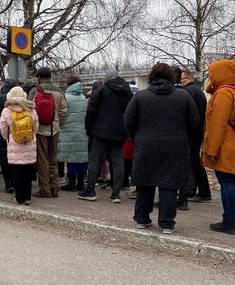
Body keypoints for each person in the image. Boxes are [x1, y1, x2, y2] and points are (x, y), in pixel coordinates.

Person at [124, 63, 199, 234]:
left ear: (151, 76)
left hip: (146, 144)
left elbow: (127, 121)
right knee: (169, 183)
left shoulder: (140, 97)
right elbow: (194, 122)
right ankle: (167, 223)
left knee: (145, 181)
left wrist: (137, 136)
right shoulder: (184, 96)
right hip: (175, 145)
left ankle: (142, 218)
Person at [202, 60, 235, 235]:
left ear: (221, 74)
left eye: (212, 73)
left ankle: (229, 221)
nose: (210, 76)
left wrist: (211, 149)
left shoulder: (223, 93)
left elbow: (218, 124)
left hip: (225, 145)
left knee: (227, 183)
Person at [80, 71, 133, 202]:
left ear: (107, 79)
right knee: (118, 161)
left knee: (94, 159)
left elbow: (91, 111)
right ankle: (116, 194)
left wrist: (89, 129)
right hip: (120, 133)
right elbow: (132, 113)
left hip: (100, 132)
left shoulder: (102, 90)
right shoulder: (128, 92)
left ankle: (90, 190)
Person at [27, 67, 69, 198]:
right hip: (54, 129)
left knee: (42, 159)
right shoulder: (59, 91)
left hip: (40, 129)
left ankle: (45, 189)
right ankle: (55, 187)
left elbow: (29, 111)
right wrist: (57, 122)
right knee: (53, 158)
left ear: (39, 77)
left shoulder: (35, 91)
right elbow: (64, 111)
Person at [179, 69, 211, 205]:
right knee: (193, 160)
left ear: (187, 79)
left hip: (192, 132)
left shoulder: (189, 92)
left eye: (181, 80)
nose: (179, 83)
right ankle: (195, 190)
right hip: (197, 130)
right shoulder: (197, 90)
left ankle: (202, 191)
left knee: (193, 161)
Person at [58, 77, 89, 192]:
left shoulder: (66, 98)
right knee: (80, 157)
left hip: (68, 131)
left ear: (69, 85)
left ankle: (71, 183)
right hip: (82, 132)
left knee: (70, 157)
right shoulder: (83, 97)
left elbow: (62, 114)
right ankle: (80, 183)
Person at [0, 79, 18, 194]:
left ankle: (8, 183)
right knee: (16, 156)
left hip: (2, 129)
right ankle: (16, 181)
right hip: (17, 129)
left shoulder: (0, 98)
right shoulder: (20, 98)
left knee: (4, 157)